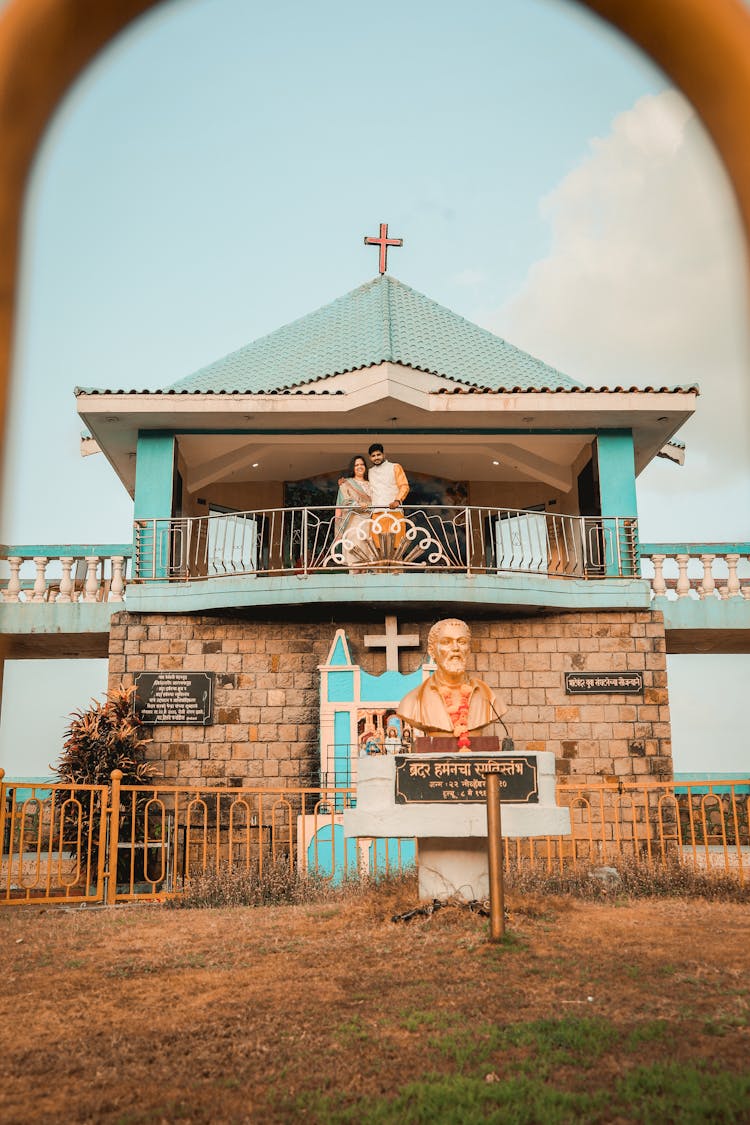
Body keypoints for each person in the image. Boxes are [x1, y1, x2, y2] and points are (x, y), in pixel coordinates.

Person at [396, 618, 507, 750]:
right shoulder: (413, 702)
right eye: (446, 642)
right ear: (432, 651)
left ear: (469, 650)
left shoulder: (489, 698)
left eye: (462, 642)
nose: (455, 648)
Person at [367, 443, 409, 556]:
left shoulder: (395, 467)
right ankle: (381, 573)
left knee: (396, 549)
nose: (376, 457)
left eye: (378, 454)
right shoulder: (370, 472)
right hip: (377, 515)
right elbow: (359, 480)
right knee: (378, 549)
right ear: (370, 458)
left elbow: (404, 486)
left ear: (384, 454)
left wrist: (398, 500)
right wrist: (345, 482)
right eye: (373, 455)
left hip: (394, 513)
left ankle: (397, 573)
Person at [333, 455, 372, 569]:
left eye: (362, 464)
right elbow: (345, 503)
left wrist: (368, 506)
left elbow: (377, 501)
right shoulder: (346, 484)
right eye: (356, 465)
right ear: (353, 468)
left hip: (370, 524)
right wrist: (359, 505)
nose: (359, 467)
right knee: (354, 560)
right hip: (353, 523)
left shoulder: (371, 484)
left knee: (368, 559)